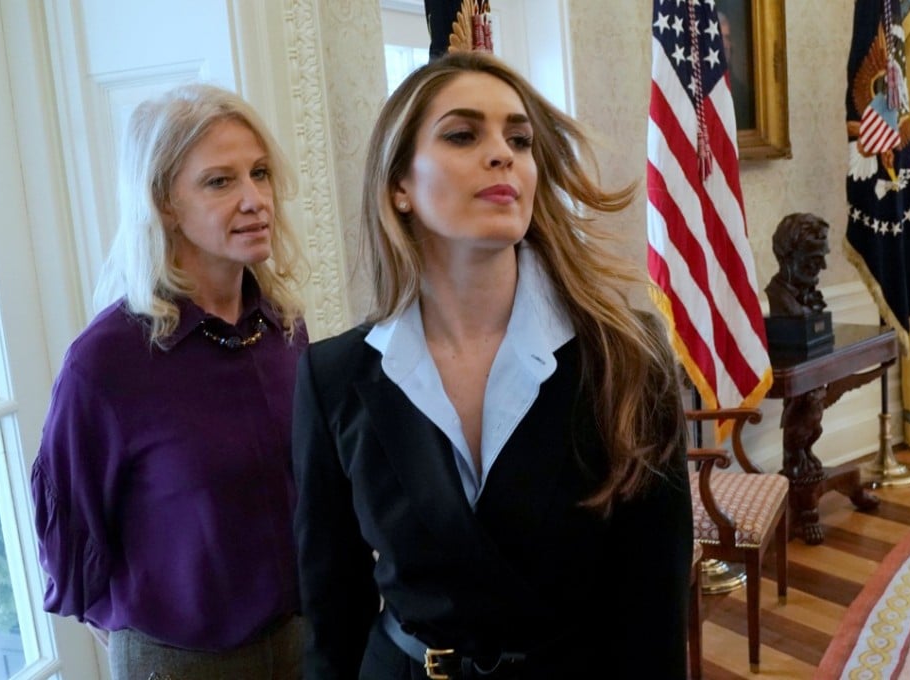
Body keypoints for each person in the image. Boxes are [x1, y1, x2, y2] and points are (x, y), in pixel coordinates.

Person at [292, 51, 693, 679]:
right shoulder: (334, 375)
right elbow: (331, 609)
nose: (503, 153)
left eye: (520, 138)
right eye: (462, 134)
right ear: (400, 185)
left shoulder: (627, 354)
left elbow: (653, 608)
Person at [31, 83, 309, 679]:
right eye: (220, 181)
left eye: (260, 173)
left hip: (303, 641)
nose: (255, 198)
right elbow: (71, 523)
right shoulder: (106, 361)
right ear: (163, 203)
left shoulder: (285, 327)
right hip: (181, 660)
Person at [764, 212, 831, 317]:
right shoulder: (778, 296)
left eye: (823, 257)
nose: (824, 266)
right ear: (786, 259)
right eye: (815, 258)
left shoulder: (810, 295)